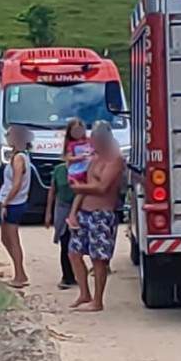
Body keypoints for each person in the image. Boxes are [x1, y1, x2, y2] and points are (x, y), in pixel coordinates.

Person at [68, 123, 125, 312]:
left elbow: (102, 187)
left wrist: (79, 187)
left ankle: (98, 300)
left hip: (102, 214)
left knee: (98, 259)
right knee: (74, 253)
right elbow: (85, 185)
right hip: (84, 212)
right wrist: (73, 213)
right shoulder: (94, 159)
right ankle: (84, 293)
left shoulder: (115, 160)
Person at [0, 125, 33, 288]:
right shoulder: (18, 156)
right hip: (11, 201)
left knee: (12, 238)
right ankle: (19, 272)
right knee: (5, 238)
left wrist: (6, 202)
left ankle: (20, 274)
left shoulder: (19, 158)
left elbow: (16, 183)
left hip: (14, 202)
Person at [44, 159, 78, 290]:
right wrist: (48, 213)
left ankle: (76, 274)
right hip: (62, 208)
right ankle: (67, 276)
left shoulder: (82, 170)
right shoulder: (59, 170)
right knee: (65, 242)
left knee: (75, 243)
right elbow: (52, 192)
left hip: (78, 208)